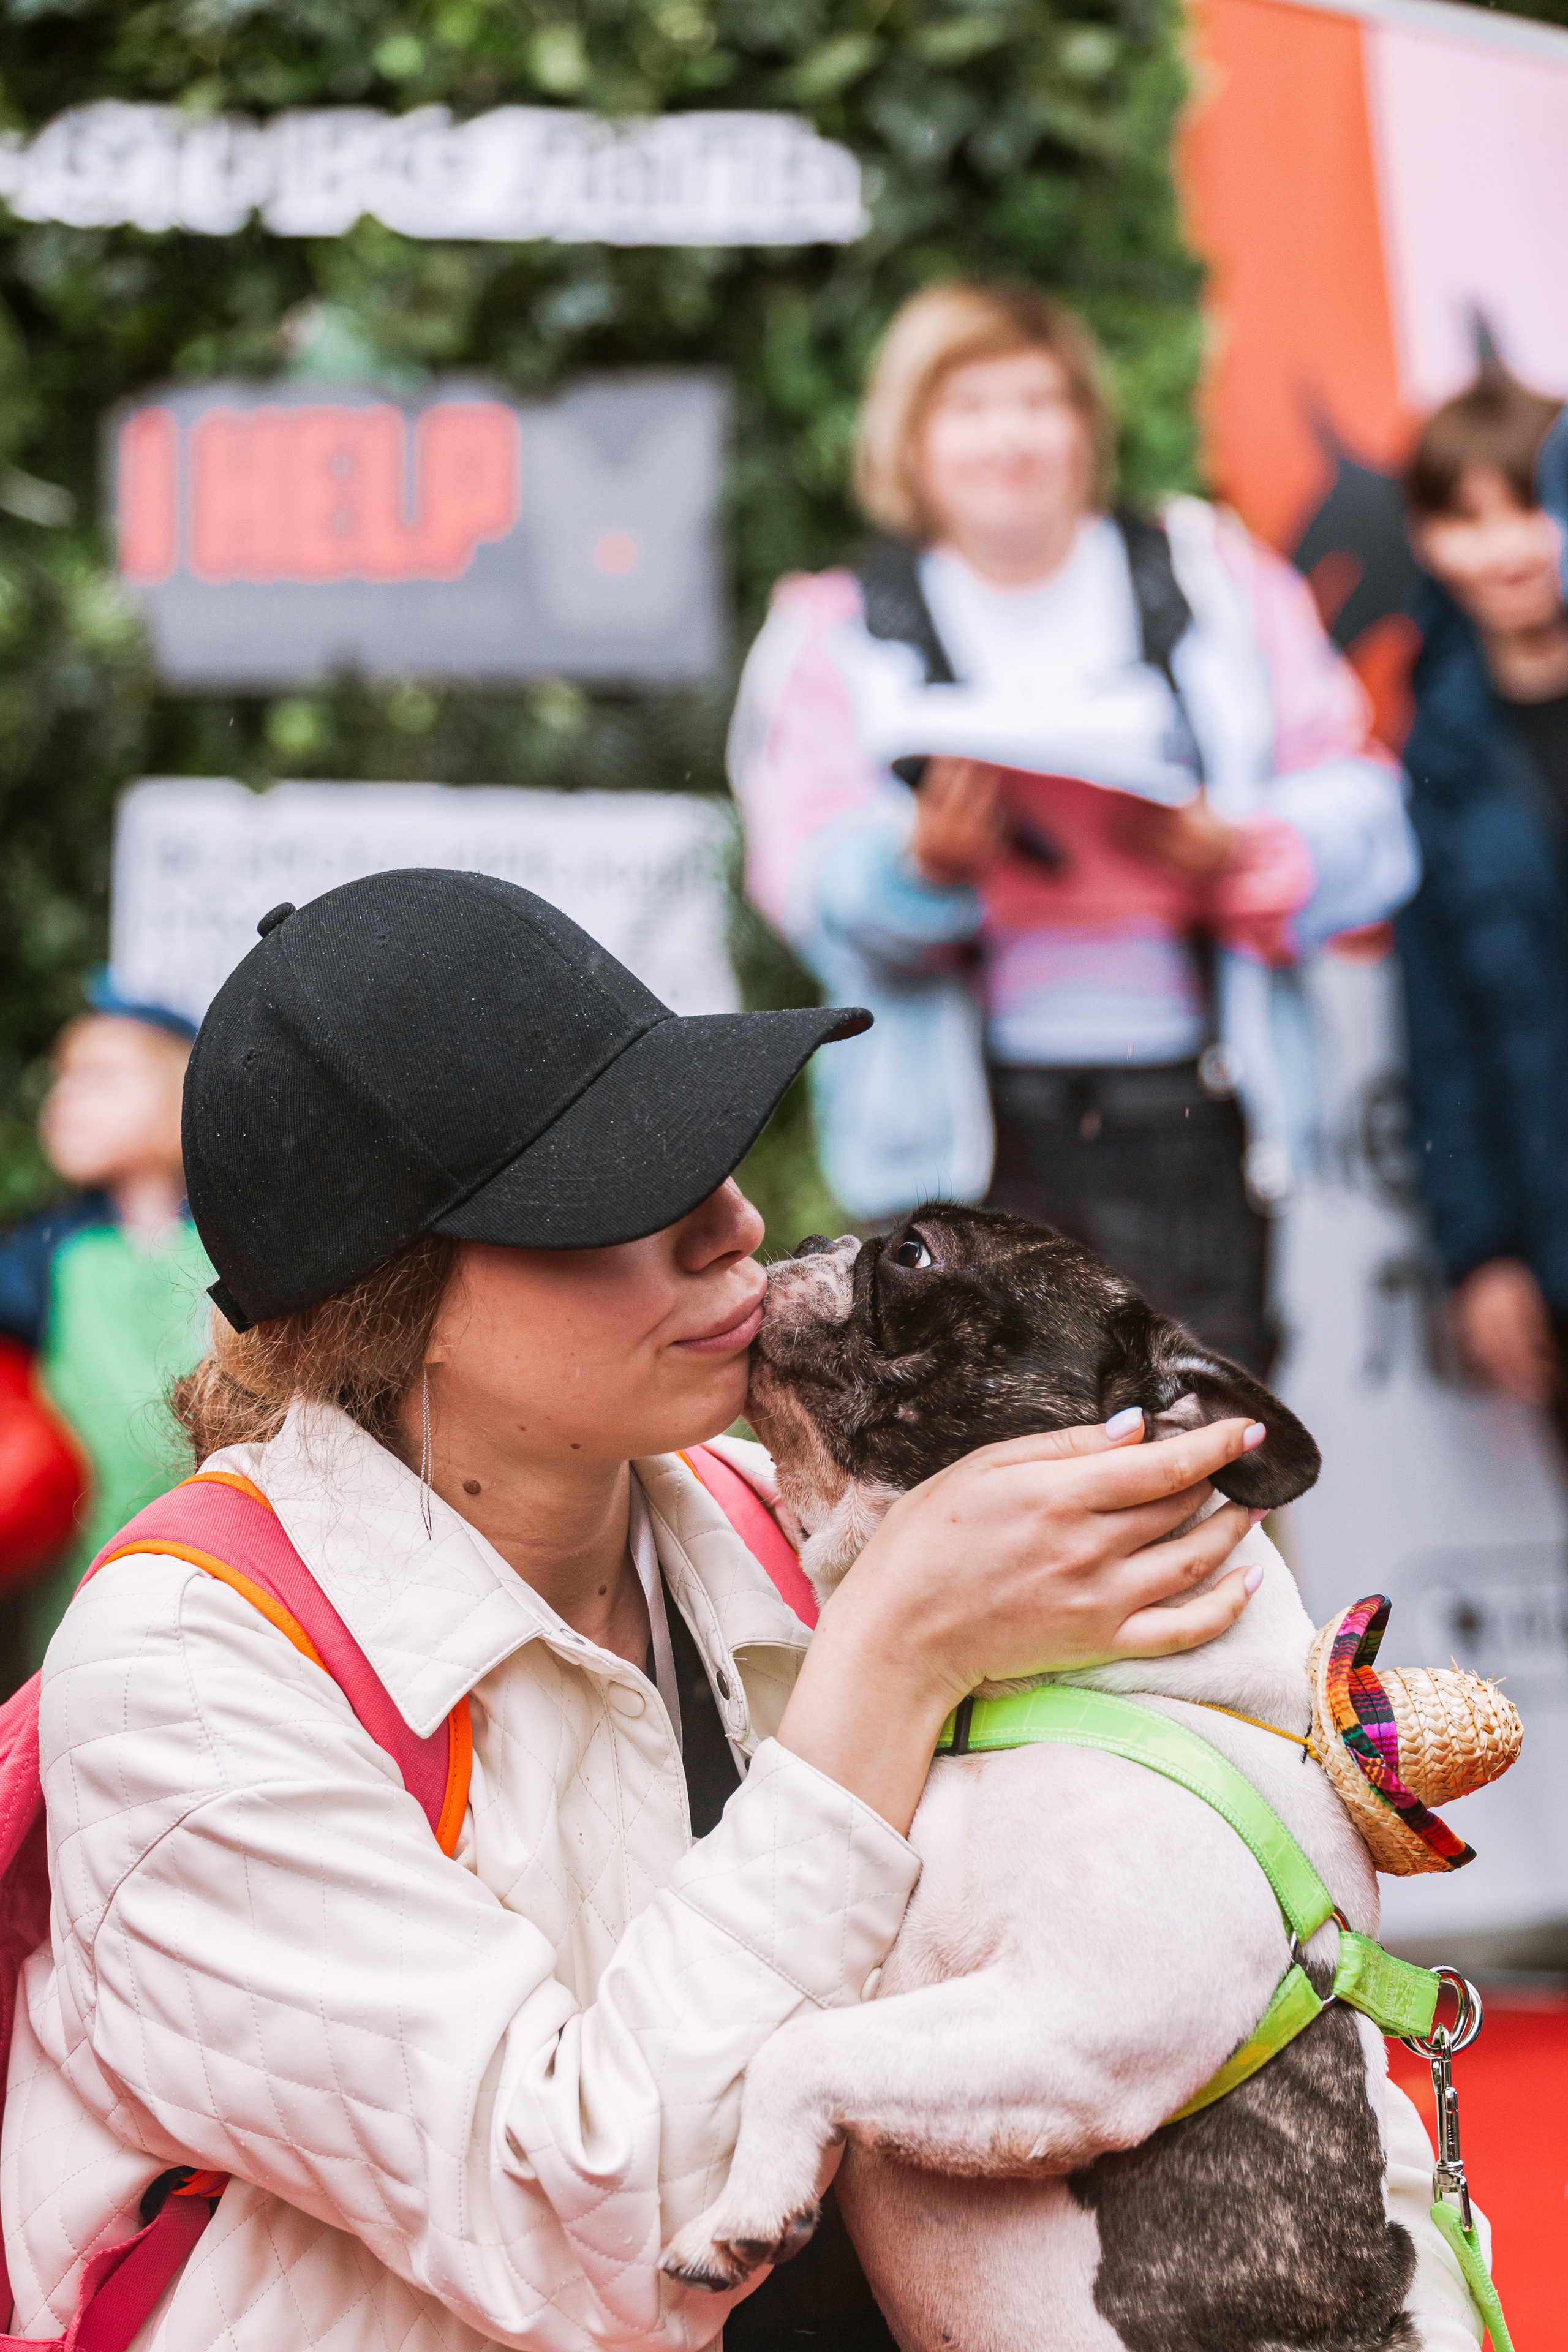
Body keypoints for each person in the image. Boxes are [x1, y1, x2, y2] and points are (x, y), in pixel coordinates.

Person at [2, 870, 1477, 2351]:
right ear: (398, 1298)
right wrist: (893, 1656)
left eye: (711, 1152)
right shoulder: (189, 1676)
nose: (733, 1222)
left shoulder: (785, 1514)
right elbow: (596, 2241)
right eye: (625, 1190)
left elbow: (1211, 1944)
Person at [731, 282, 1418, 1372]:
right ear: (909, 440)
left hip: (1194, 1108)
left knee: (1198, 1449)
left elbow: (1371, 813)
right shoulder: (842, 625)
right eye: (970, 408)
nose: (1009, 438)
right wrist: (921, 865)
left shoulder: (1213, 582)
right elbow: (802, 878)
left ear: (1087, 427)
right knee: (979, 1461)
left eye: (1039, 402)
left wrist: (1245, 851)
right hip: (965, 1137)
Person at [1396, 368, 1568, 1442]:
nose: (1507, 545)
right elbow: (1441, 1032)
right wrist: (1481, 1255)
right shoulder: (1436, 758)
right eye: (1467, 517)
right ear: (1423, 538)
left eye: (1530, 504)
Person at [0, 975, 209, 1676]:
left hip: (218, 1569)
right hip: (79, 1581)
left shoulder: (235, 1239)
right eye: (62, 1081)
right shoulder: (45, 1253)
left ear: (183, 1093)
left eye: (99, 1080)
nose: (63, 1101)